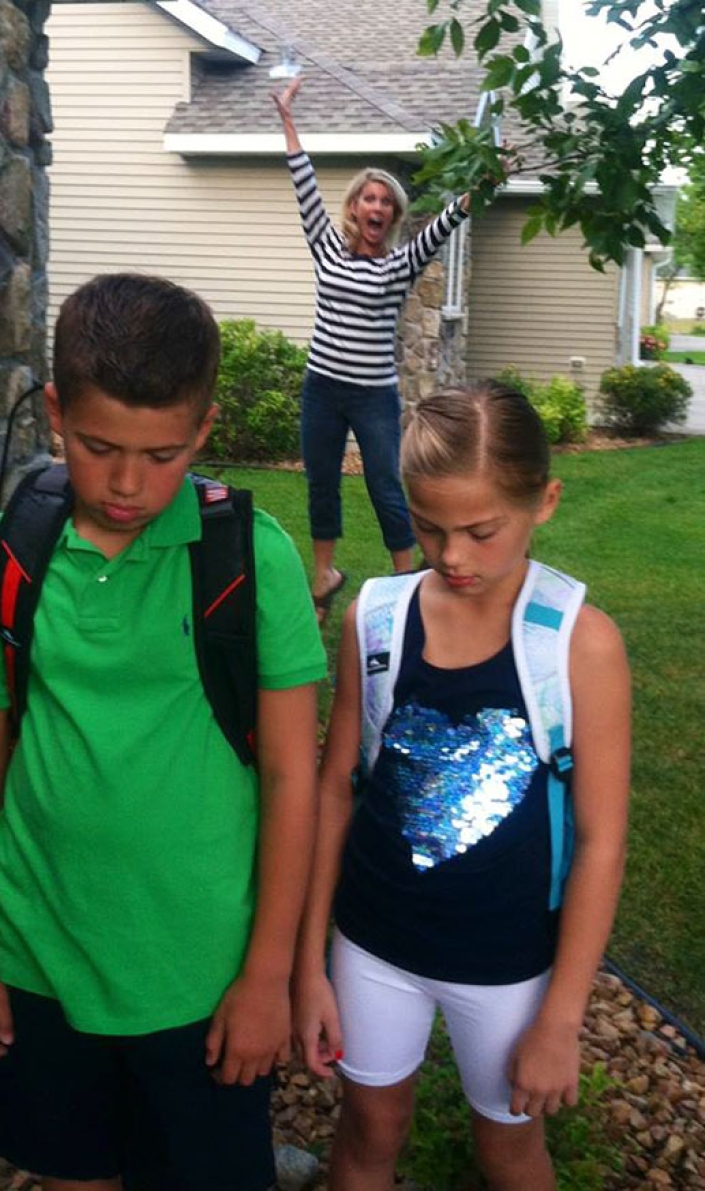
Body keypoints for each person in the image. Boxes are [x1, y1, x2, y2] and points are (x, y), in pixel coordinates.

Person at [0, 273, 327, 1191]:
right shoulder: (0, 557)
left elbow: (290, 775)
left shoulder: (252, 558)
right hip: (38, 956)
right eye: (97, 446)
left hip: (201, 976)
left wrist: (267, 971)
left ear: (203, 428)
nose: (126, 482)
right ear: (54, 413)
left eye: (161, 454)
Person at [293, 383, 631, 1190]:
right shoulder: (374, 620)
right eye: (428, 526)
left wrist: (561, 1016)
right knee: (369, 1128)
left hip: (509, 961)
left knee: (508, 1148)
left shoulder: (579, 644)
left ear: (544, 500)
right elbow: (335, 789)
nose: (451, 556)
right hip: (372, 942)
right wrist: (308, 965)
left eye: (482, 531)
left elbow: (600, 839)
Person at [272, 78, 470, 623]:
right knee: (322, 484)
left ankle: (405, 582)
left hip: (373, 394)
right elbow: (302, 180)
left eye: (385, 200)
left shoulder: (401, 263)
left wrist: (484, 184)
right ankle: (324, 576)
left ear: (393, 213)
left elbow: (447, 222)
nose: (376, 206)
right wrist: (287, 118)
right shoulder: (327, 248)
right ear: (355, 208)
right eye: (368, 198)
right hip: (322, 388)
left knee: (384, 484)